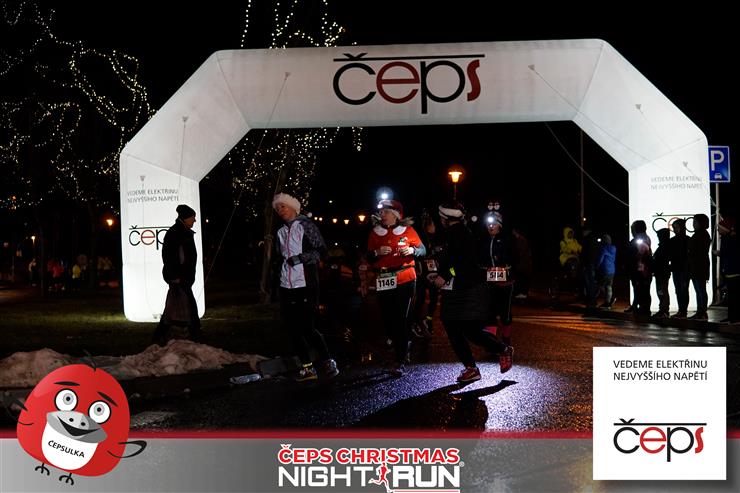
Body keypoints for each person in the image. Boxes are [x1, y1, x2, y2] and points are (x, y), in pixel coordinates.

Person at [431, 202, 512, 383]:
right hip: (455, 289)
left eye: (441, 217)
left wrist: (445, 275)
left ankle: (501, 350)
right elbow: (450, 262)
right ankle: (472, 367)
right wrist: (438, 273)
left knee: (469, 331)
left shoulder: (461, 234)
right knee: (454, 327)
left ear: (446, 218)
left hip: (467, 290)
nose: (440, 220)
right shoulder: (450, 233)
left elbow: (462, 263)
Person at [272, 192, 339, 382]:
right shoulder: (280, 232)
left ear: (294, 208)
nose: (280, 210)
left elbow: (322, 252)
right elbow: (279, 256)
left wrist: (301, 258)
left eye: (283, 206)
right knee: (292, 328)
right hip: (286, 285)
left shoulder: (306, 226)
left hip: (306, 283)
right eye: (277, 208)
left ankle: (328, 361)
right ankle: (307, 368)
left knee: (307, 327)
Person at [365, 199, 425, 376]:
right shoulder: (375, 233)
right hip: (384, 278)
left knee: (400, 318)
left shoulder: (408, 231)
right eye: (381, 212)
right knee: (388, 318)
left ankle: (400, 360)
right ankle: (402, 343)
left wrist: (413, 251)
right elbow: (368, 256)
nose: (382, 214)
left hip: (405, 277)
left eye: (386, 212)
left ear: (396, 215)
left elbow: (423, 250)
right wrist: (376, 253)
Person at [152, 204, 204, 346]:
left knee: (177, 308)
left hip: (182, 278)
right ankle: (190, 334)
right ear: (186, 218)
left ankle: (166, 336)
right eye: (193, 217)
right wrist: (175, 276)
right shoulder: (176, 233)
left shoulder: (182, 232)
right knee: (184, 307)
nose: (194, 220)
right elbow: (171, 257)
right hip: (179, 278)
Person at [479, 211, 517, 347]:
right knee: (490, 312)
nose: (490, 226)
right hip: (490, 283)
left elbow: (516, 258)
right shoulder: (483, 240)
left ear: (499, 225)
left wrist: (507, 266)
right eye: (488, 224)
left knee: (505, 313)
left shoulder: (507, 239)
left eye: (494, 224)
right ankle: (492, 342)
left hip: (506, 283)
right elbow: (479, 259)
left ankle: (506, 340)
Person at [411, 212, 441, 338]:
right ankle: (414, 322)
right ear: (428, 225)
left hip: (432, 271)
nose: (435, 227)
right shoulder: (422, 236)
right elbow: (421, 253)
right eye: (433, 224)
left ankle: (428, 319)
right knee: (421, 297)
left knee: (433, 297)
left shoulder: (432, 237)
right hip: (423, 272)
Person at [625, 220, 653, 316]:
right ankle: (638, 306)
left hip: (640, 269)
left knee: (641, 289)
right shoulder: (645, 238)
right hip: (641, 269)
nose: (632, 231)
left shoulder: (640, 240)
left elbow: (637, 256)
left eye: (633, 228)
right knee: (641, 289)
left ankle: (643, 308)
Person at [688, 213, 712, 320]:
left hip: (699, 266)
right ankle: (700, 311)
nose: (693, 224)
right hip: (697, 265)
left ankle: (702, 312)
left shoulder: (702, 235)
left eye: (695, 221)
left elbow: (698, 251)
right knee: (699, 290)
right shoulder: (700, 234)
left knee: (700, 289)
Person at [718, 216, 740, 323]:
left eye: (719, 228)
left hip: (733, 271)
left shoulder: (730, 239)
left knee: (734, 297)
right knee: (731, 296)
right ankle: (731, 317)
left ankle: (735, 317)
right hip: (729, 270)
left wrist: (719, 253)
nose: (718, 230)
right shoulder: (727, 238)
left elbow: (729, 253)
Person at [668, 218, 690, 318]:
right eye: (674, 227)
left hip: (684, 268)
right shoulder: (673, 240)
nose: (675, 229)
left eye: (676, 227)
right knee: (679, 289)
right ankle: (681, 310)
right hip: (676, 268)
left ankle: (683, 310)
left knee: (683, 289)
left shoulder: (687, 240)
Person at [652, 228, 672, 318]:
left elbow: (660, 260)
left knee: (662, 291)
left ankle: (664, 310)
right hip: (661, 272)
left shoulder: (664, 247)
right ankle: (663, 309)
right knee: (661, 291)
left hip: (661, 273)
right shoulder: (665, 246)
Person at [595, 233, 616, 308]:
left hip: (605, 269)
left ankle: (610, 299)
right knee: (609, 286)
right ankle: (608, 302)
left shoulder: (603, 248)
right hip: (612, 270)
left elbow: (600, 259)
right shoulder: (614, 248)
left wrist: (596, 266)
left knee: (601, 285)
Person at [511, 226, 532, 300]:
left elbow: (522, 252)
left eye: (513, 230)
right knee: (521, 278)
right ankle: (522, 292)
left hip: (523, 263)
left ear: (515, 231)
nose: (512, 232)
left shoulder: (521, 239)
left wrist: (515, 258)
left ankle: (523, 293)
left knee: (523, 278)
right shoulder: (519, 239)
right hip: (522, 263)